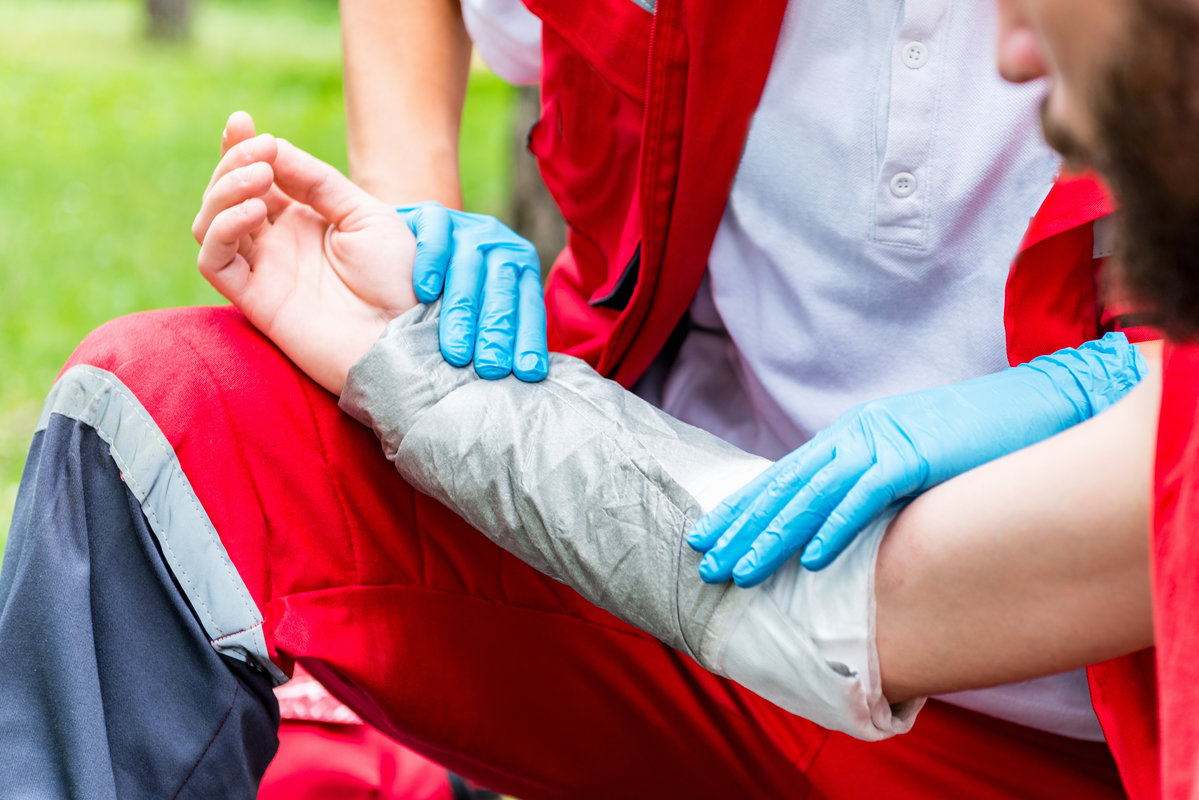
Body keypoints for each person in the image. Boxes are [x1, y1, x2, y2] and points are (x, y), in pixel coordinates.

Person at [338, 0, 1148, 791]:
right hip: (683, 614)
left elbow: (846, 622)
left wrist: (1142, 386)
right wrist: (412, 211)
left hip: (1087, 708)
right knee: (264, 399)